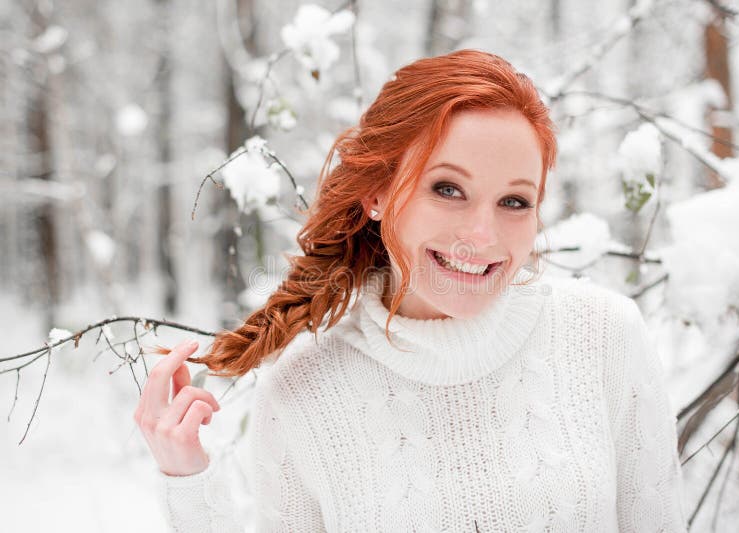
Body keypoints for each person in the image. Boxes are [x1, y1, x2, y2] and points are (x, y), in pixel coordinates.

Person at [134, 49, 688, 532]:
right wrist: (188, 484)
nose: (482, 235)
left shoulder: (602, 334)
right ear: (377, 192)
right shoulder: (303, 388)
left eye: (514, 201)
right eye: (448, 189)